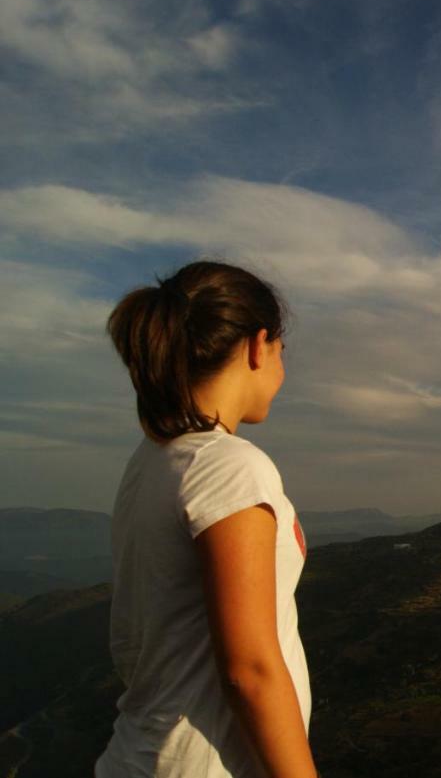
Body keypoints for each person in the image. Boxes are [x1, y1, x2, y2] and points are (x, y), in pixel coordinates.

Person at [94, 261, 317, 778]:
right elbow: (251, 670)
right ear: (258, 346)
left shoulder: (154, 461)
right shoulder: (230, 466)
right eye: (283, 351)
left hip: (143, 756)